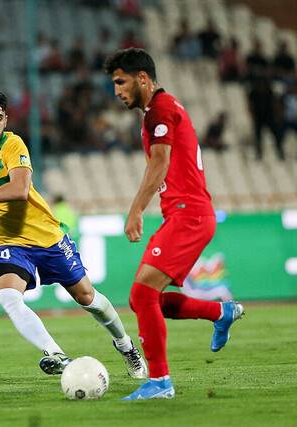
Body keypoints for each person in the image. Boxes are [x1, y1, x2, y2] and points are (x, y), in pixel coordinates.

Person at [0, 89, 147, 379]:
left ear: (6, 119)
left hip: (46, 237)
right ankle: (55, 352)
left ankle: (126, 346)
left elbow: (20, 191)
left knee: (87, 298)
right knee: (8, 296)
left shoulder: (13, 145)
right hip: (8, 243)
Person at [104, 48, 244, 400]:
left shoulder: (160, 110)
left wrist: (135, 209)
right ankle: (219, 311)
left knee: (142, 294)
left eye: (121, 82)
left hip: (190, 214)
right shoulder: (158, 110)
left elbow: (161, 161)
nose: (117, 91)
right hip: (183, 213)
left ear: (143, 79)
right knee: (143, 301)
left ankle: (160, 382)